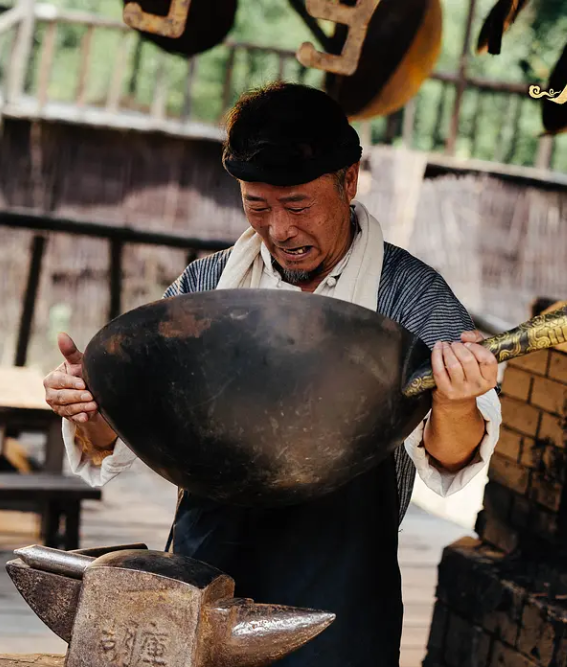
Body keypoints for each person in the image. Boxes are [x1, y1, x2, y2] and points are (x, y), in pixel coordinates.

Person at [43, 82, 502, 666]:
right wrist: (91, 407)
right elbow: (118, 442)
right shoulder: (204, 290)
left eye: (298, 206)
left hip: (341, 574)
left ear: (349, 181)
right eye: (257, 207)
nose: (279, 230)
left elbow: (452, 461)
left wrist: (458, 403)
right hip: (205, 559)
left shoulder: (410, 297)